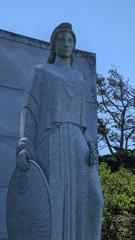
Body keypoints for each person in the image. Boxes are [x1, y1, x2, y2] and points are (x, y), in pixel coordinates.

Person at [16, 23, 104, 240]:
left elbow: (83, 123)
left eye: (70, 40)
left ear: (74, 46)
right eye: (62, 40)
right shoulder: (41, 72)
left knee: (94, 199)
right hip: (52, 141)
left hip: (78, 143)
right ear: (53, 45)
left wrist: (91, 145)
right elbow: (30, 109)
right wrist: (25, 144)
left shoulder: (80, 79)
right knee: (53, 203)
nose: (66, 44)